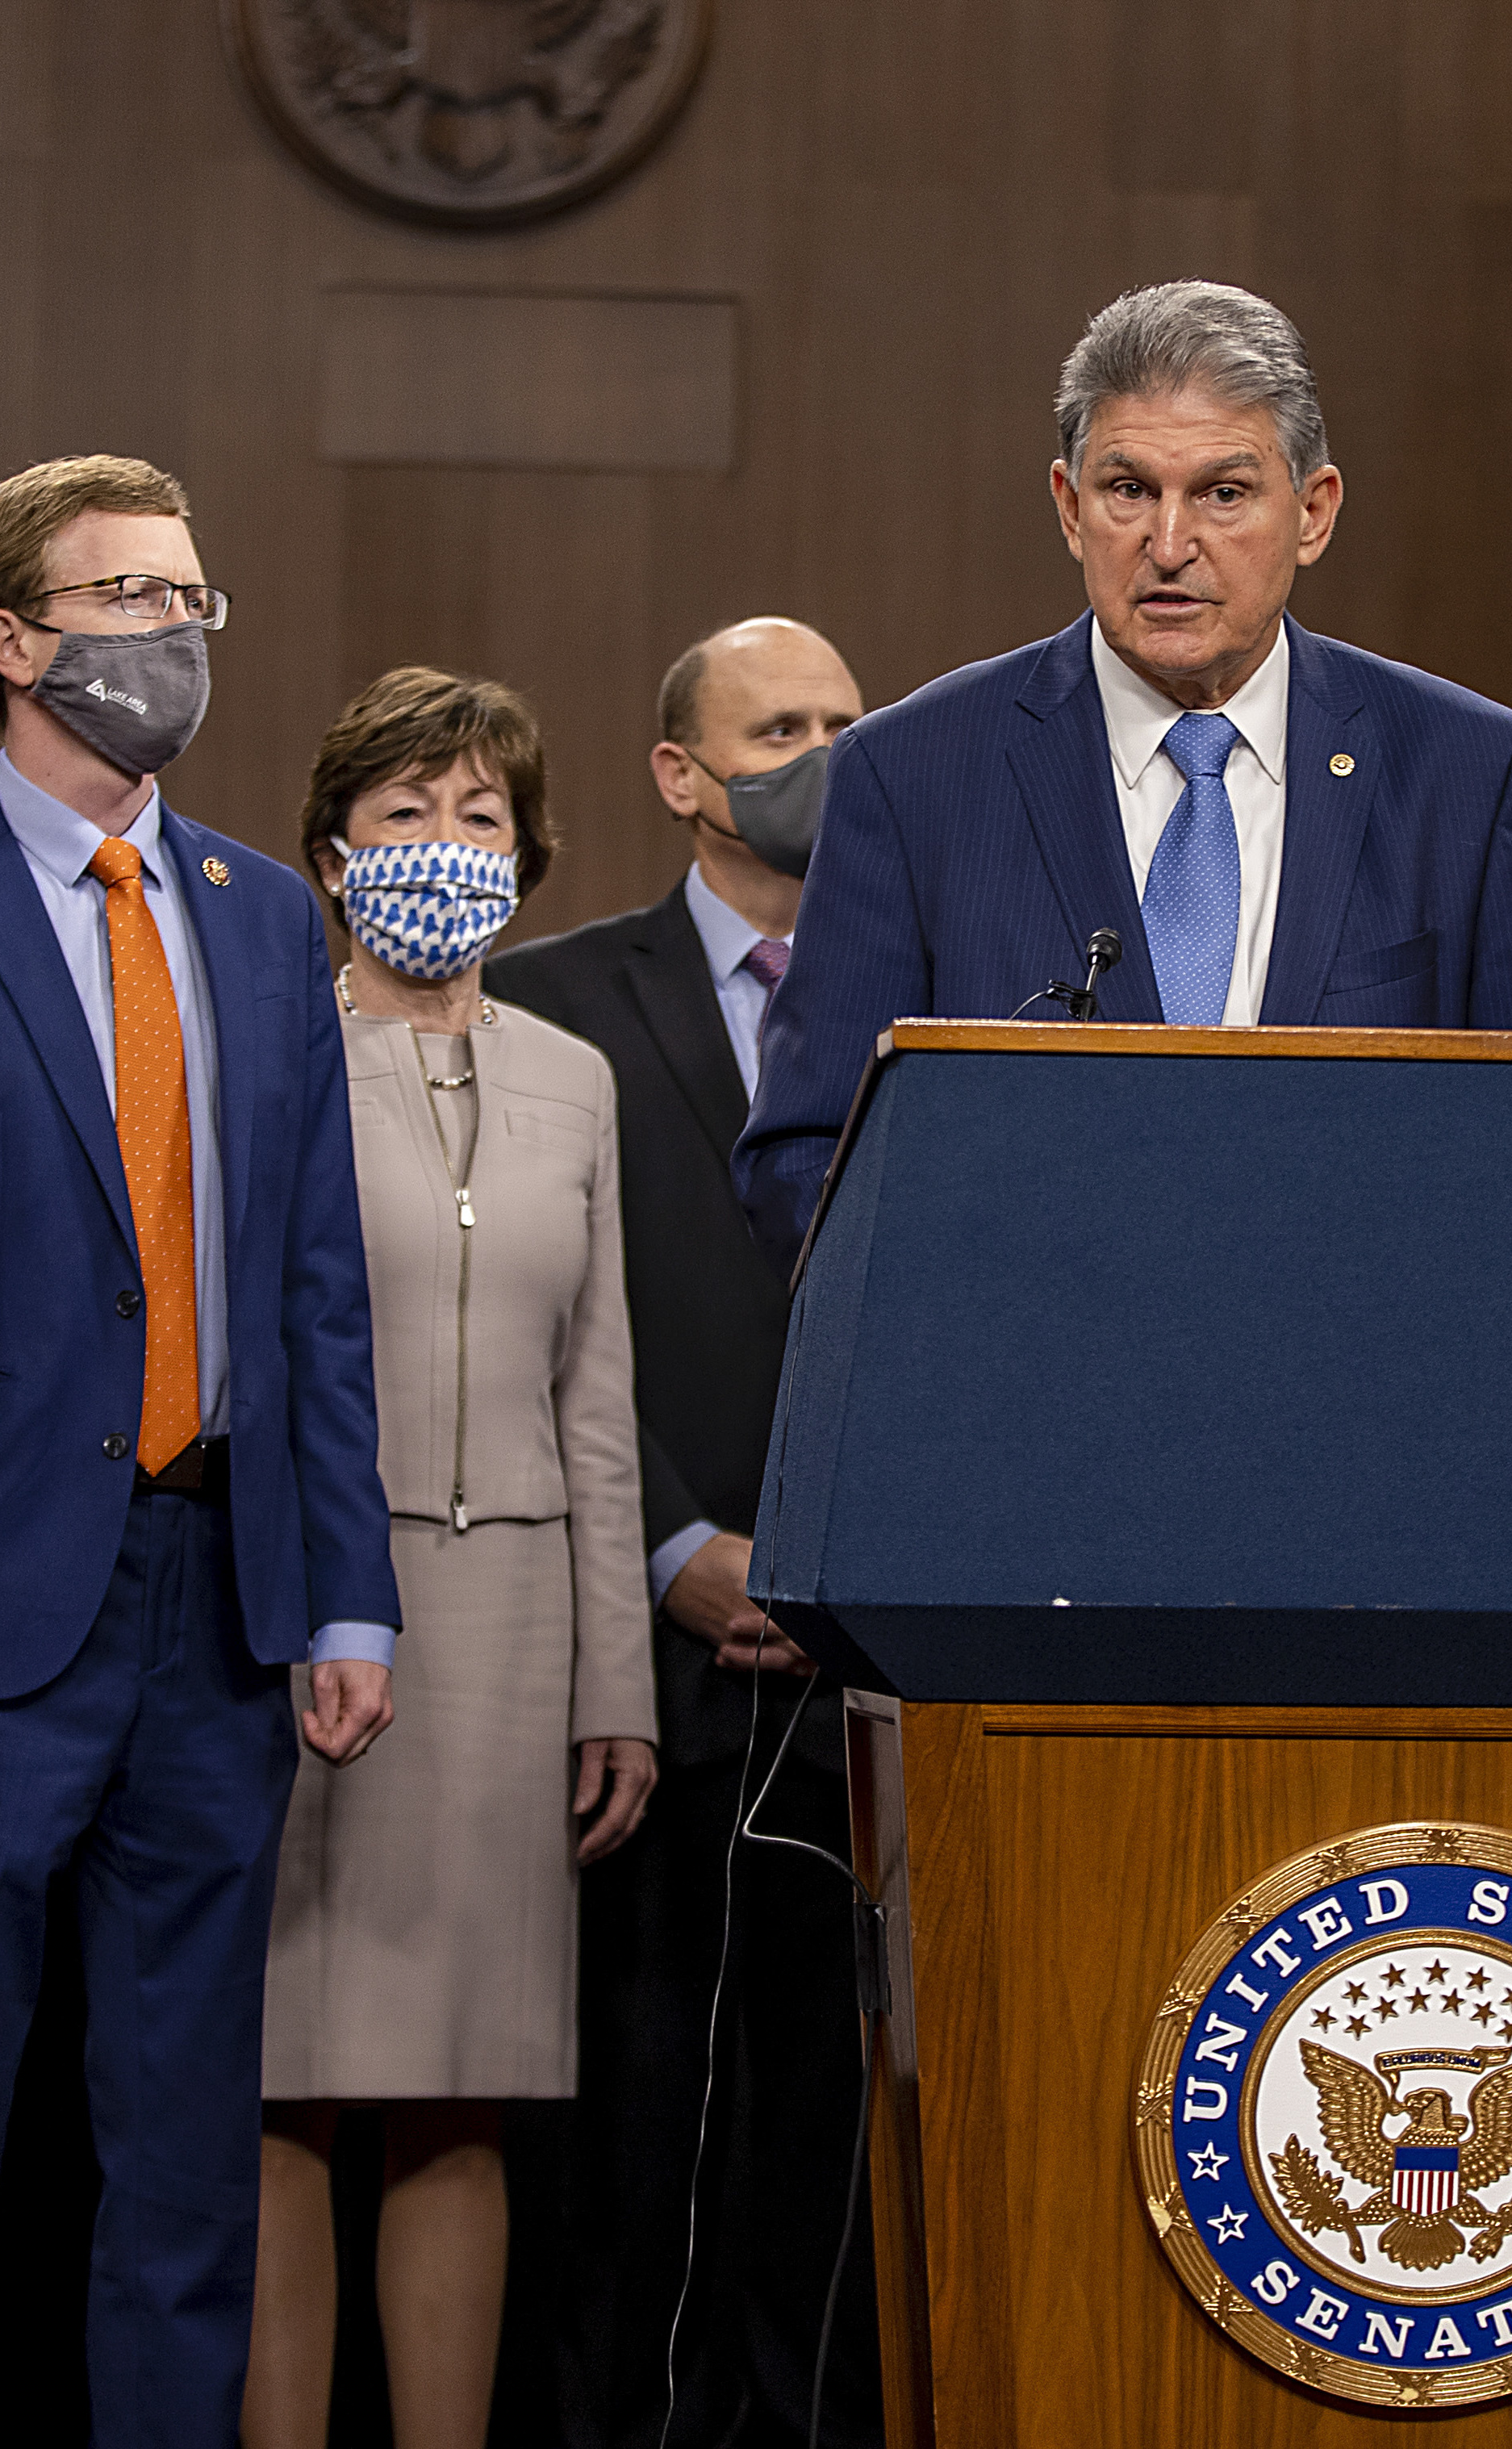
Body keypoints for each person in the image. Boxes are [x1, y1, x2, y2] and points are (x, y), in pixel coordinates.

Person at [0, 455, 398, 2448]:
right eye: (129, 594)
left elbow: (313, 1280)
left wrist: (346, 1592)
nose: (175, 631)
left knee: (188, 2183)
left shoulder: (260, 913)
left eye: (192, 597)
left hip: (220, 1613)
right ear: (13, 638)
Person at [735, 279, 1512, 1245]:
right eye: (1129, 491)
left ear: (1313, 513)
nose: (1169, 544)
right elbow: (805, 1156)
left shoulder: (1470, 774)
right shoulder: (910, 775)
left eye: (1223, 494)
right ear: (1070, 508)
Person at [246, 667, 661, 2447]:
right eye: (405, 811)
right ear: (334, 852)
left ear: (529, 848)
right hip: (314, 1616)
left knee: (463, 2089)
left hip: (513, 1632)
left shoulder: (577, 1078)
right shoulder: (267, 1054)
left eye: (478, 813)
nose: (444, 843)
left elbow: (599, 1398)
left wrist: (617, 1679)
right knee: (282, 2085)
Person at [491, 617, 883, 2447]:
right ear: (679, 772)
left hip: (869, 1673)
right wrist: (672, 1545)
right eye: (777, 725)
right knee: (626, 2161)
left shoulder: (938, 988)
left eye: (844, 722)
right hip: (631, 1673)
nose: (821, 753)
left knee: (825, 2173)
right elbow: (533, 1322)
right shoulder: (555, 998)